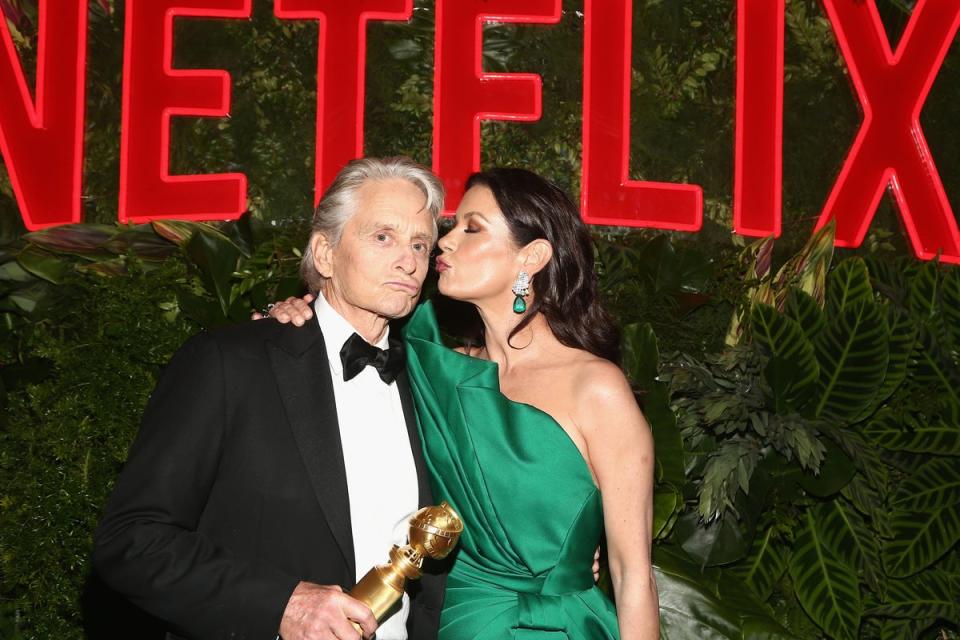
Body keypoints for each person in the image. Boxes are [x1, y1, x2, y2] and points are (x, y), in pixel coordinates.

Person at [269, 168, 659, 638]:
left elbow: (633, 574)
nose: (442, 244)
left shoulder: (596, 388)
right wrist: (296, 314)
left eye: (471, 228)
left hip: (562, 629)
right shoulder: (426, 369)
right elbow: (339, 343)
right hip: (454, 624)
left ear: (531, 256)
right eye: (451, 228)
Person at [93, 157, 447, 640]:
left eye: (420, 244)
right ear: (325, 253)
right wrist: (281, 604)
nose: (408, 260)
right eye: (382, 237)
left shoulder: (432, 383)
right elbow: (131, 540)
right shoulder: (229, 363)